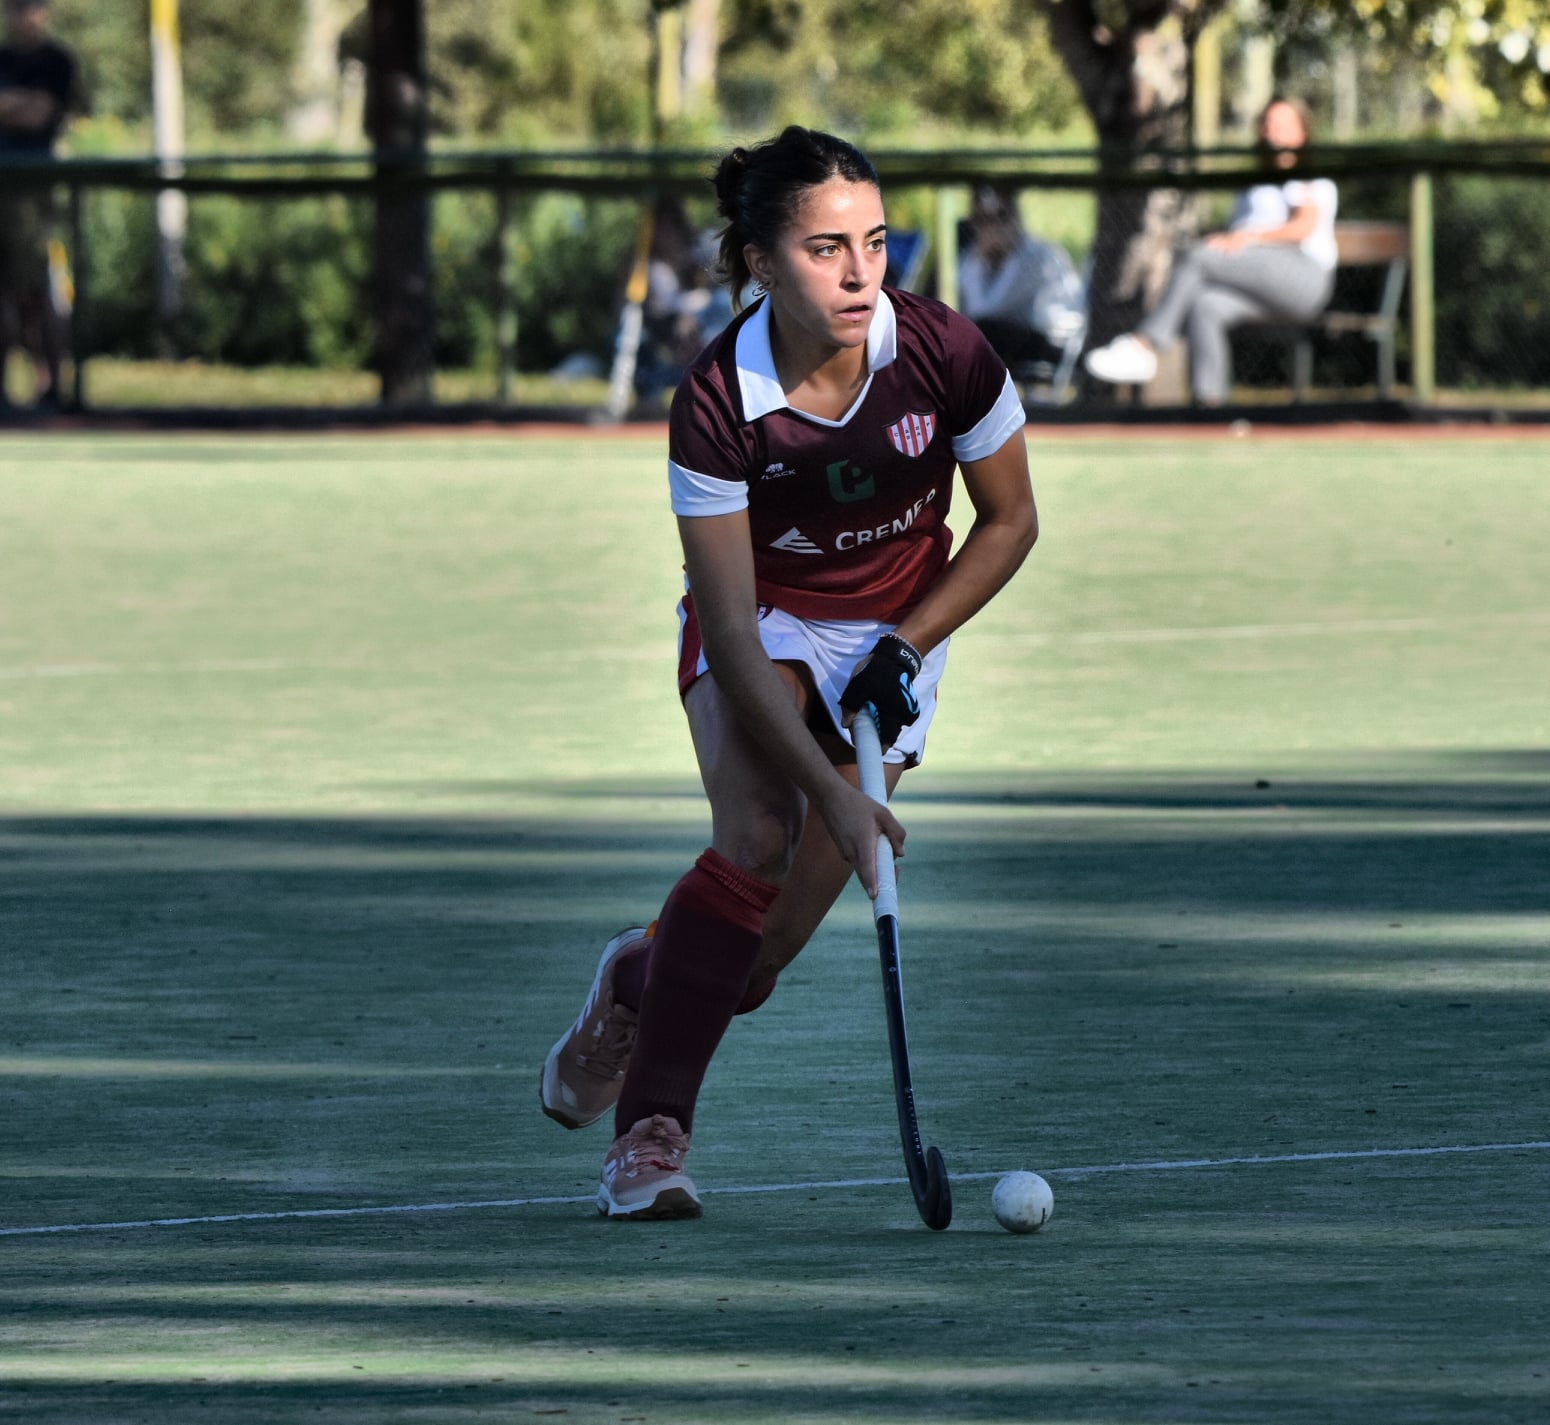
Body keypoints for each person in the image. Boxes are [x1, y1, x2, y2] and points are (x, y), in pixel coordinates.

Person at [538, 126, 1038, 1221]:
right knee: (757, 837)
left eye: (875, 241)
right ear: (762, 264)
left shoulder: (947, 352)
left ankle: (634, 981)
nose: (862, 273)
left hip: (900, 623)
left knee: (748, 968)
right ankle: (649, 1141)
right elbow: (722, 625)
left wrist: (905, 642)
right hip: (761, 622)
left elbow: (1008, 523)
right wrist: (838, 799)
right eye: (825, 249)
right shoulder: (717, 400)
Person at [1083, 96, 1338, 406]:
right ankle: (1210, 408)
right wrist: (1231, 239)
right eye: (1269, 124)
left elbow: (1303, 227)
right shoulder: (1254, 184)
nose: (1274, 132)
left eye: (1284, 125)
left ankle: (1145, 344)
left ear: (1303, 133)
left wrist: (1248, 238)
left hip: (1302, 278)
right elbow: (1235, 237)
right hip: (1264, 283)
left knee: (1197, 257)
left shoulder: (1307, 175)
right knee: (1206, 306)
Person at [0, 0, 76, 411]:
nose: (21, 15)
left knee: (37, 290)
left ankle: (50, 386)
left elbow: (40, 115)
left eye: (29, 6)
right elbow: (26, 110)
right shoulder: (2, 57)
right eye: (14, 6)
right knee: (3, 292)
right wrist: (18, 104)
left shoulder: (55, 60)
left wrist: (9, 106)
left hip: (33, 192)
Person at [958, 184, 1084, 378]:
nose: (992, 228)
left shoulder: (1038, 257)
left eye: (1001, 217)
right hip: (1013, 339)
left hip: (1053, 342)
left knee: (984, 331)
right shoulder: (972, 257)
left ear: (1015, 218)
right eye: (982, 220)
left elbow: (983, 309)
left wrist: (980, 257)